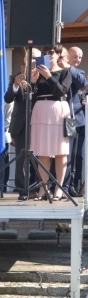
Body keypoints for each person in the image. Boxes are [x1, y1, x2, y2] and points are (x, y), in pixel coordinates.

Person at [30, 45, 72, 201]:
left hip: (57, 109)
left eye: (52, 52)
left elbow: (62, 91)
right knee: (43, 153)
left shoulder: (65, 72)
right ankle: (43, 188)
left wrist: (48, 76)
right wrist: (33, 82)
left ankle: (59, 189)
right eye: (46, 52)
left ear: (59, 55)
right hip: (41, 110)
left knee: (60, 152)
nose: (48, 55)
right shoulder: (39, 73)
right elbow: (32, 96)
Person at [5, 47, 39, 200]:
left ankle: (41, 188)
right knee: (21, 159)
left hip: (40, 122)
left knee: (42, 157)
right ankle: (23, 190)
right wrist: (16, 85)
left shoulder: (44, 75)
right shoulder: (16, 77)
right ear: (25, 60)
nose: (32, 60)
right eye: (30, 58)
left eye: (35, 58)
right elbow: (8, 98)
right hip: (22, 124)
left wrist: (35, 82)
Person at [63, 46, 88, 196]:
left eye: (80, 57)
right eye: (75, 56)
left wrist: (69, 67)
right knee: (63, 154)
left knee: (76, 154)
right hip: (58, 118)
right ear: (67, 56)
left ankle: (74, 184)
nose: (77, 59)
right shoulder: (59, 71)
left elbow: (82, 82)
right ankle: (60, 184)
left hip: (75, 120)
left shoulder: (78, 72)